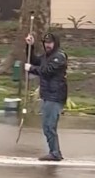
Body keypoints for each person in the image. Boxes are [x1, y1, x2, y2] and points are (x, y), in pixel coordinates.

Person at [24, 32, 68, 161]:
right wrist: (30, 46)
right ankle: (54, 152)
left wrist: (31, 68)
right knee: (46, 126)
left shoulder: (59, 57)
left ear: (55, 43)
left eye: (50, 43)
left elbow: (47, 71)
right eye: (45, 43)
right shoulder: (46, 56)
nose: (47, 45)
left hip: (55, 96)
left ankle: (55, 153)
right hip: (47, 95)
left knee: (49, 125)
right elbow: (34, 60)